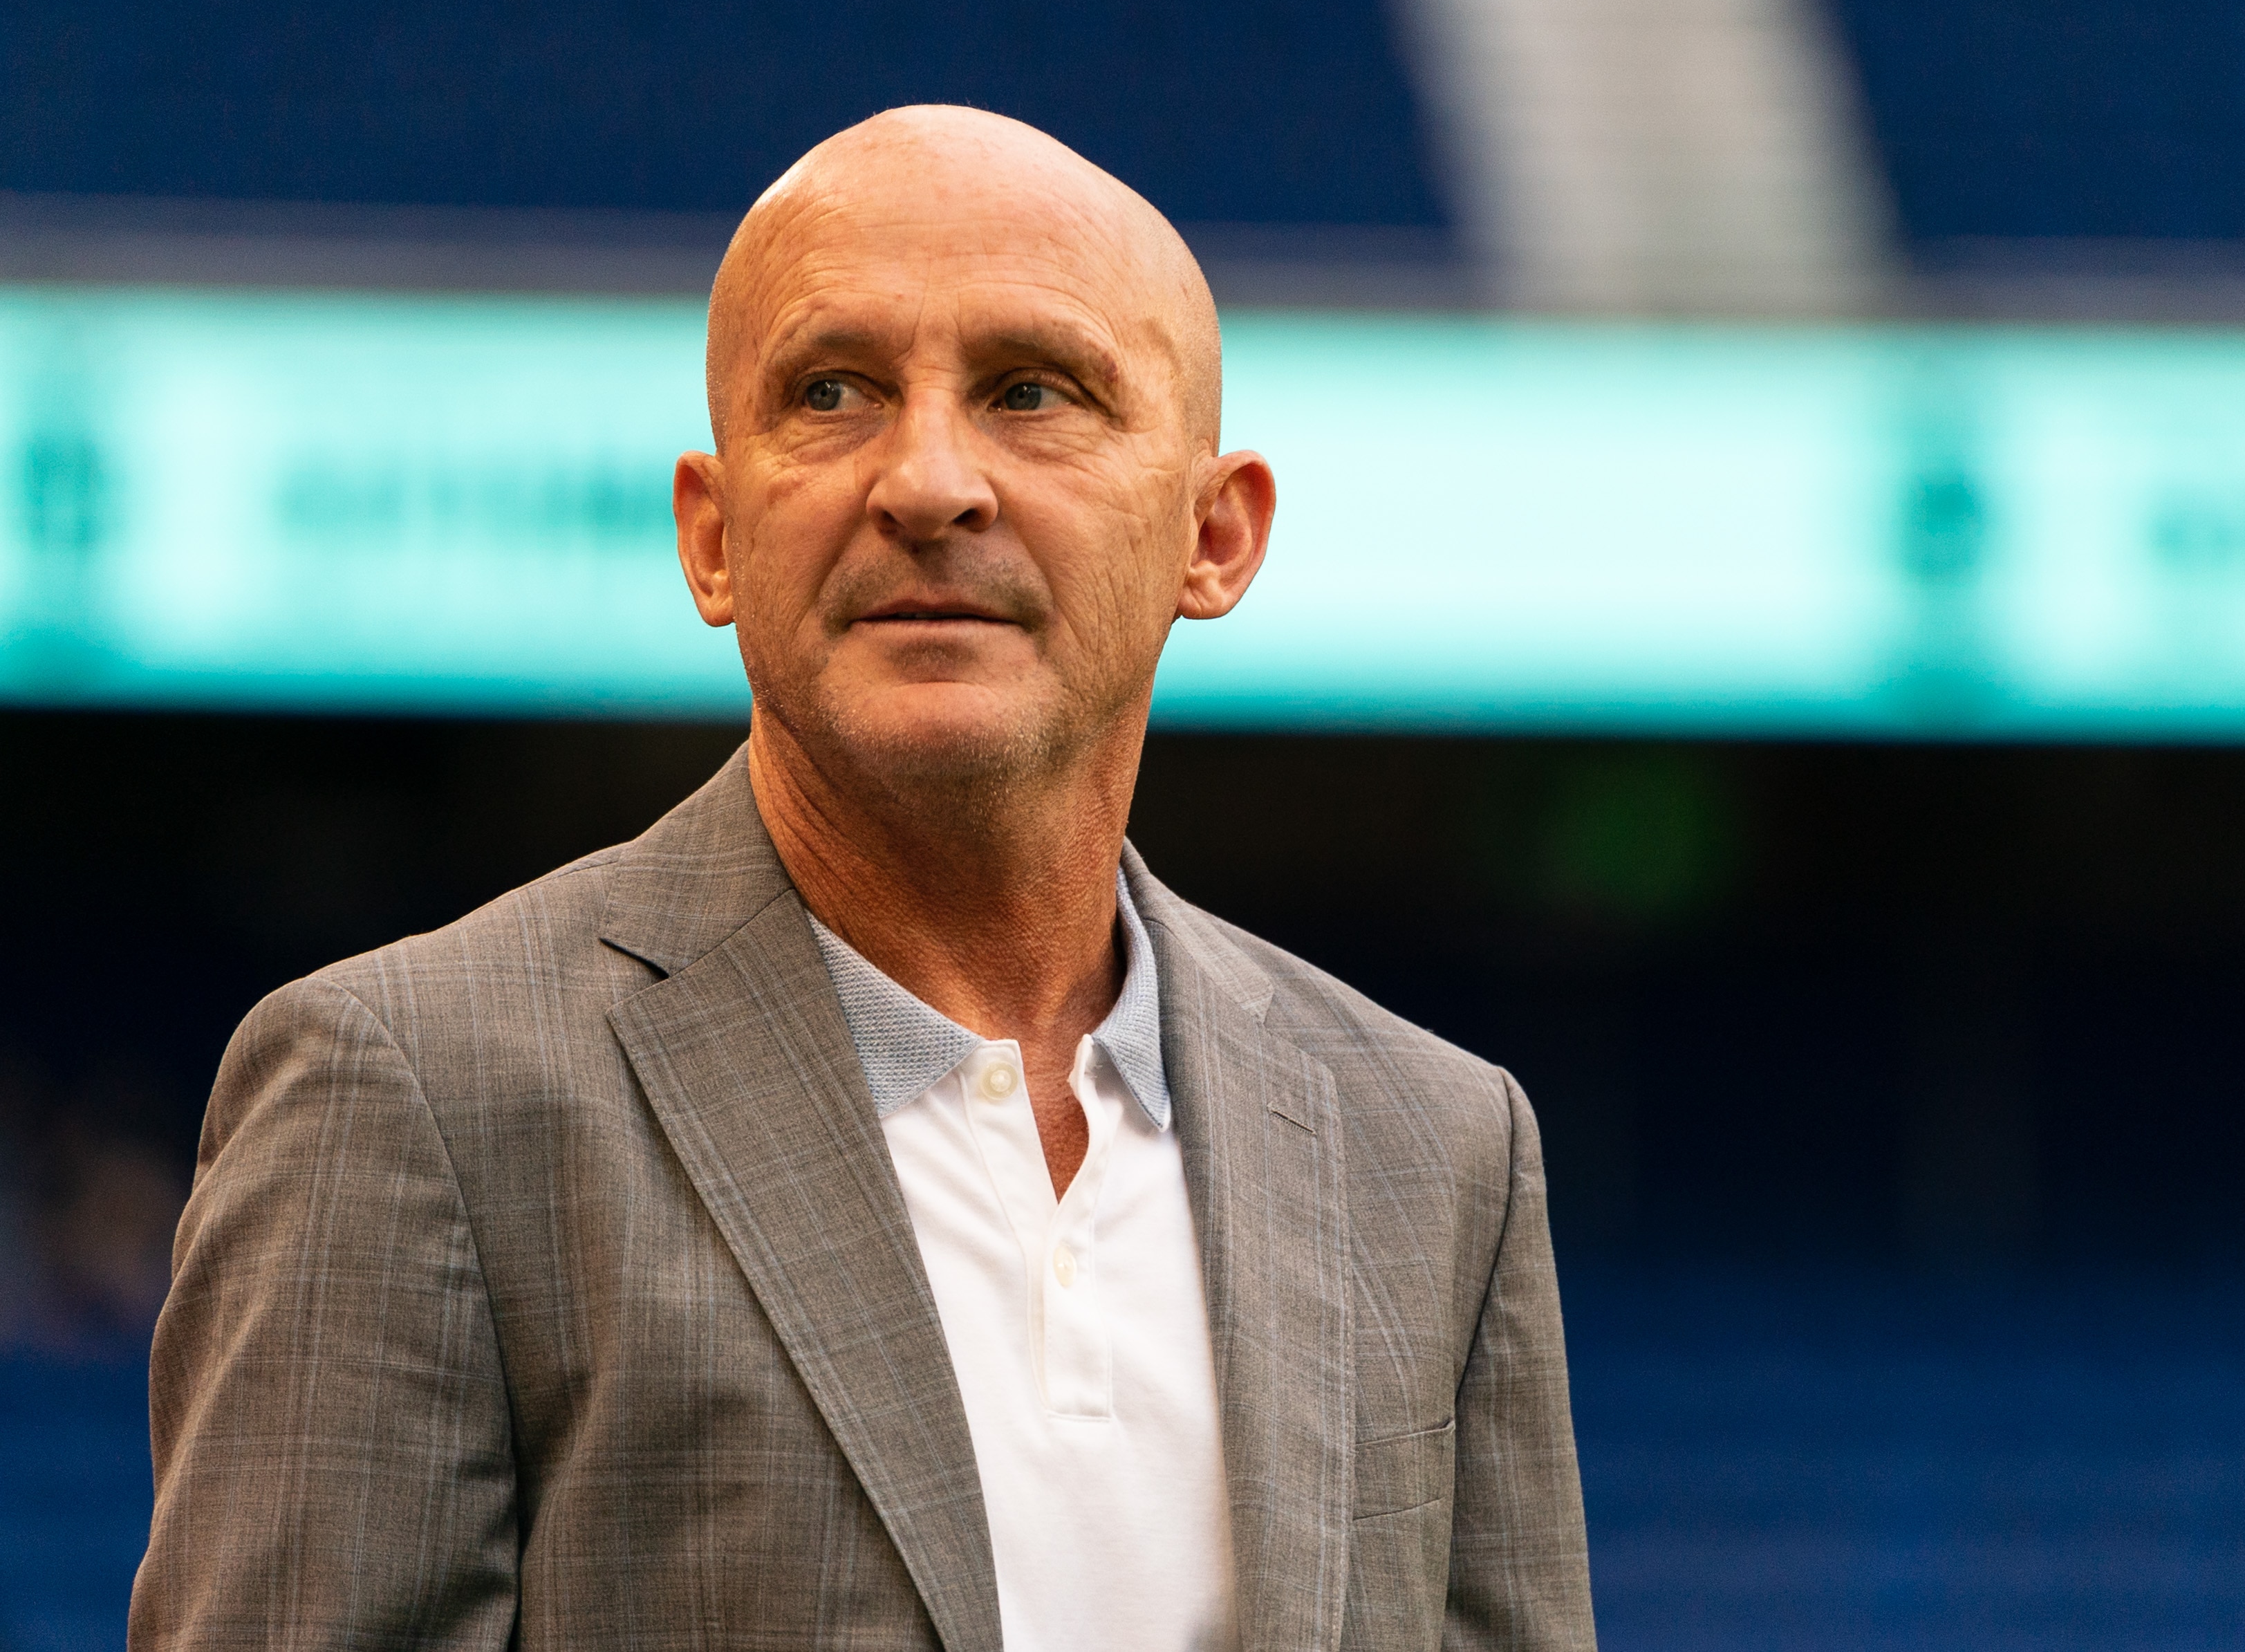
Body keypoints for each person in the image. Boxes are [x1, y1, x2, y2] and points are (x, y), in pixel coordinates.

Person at [131, 107, 1594, 1651]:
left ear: (1212, 535)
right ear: (711, 536)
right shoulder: (412, 1091)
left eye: (1033, 391)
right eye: (832, 393)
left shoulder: (1434, 1146)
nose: (928, 481)